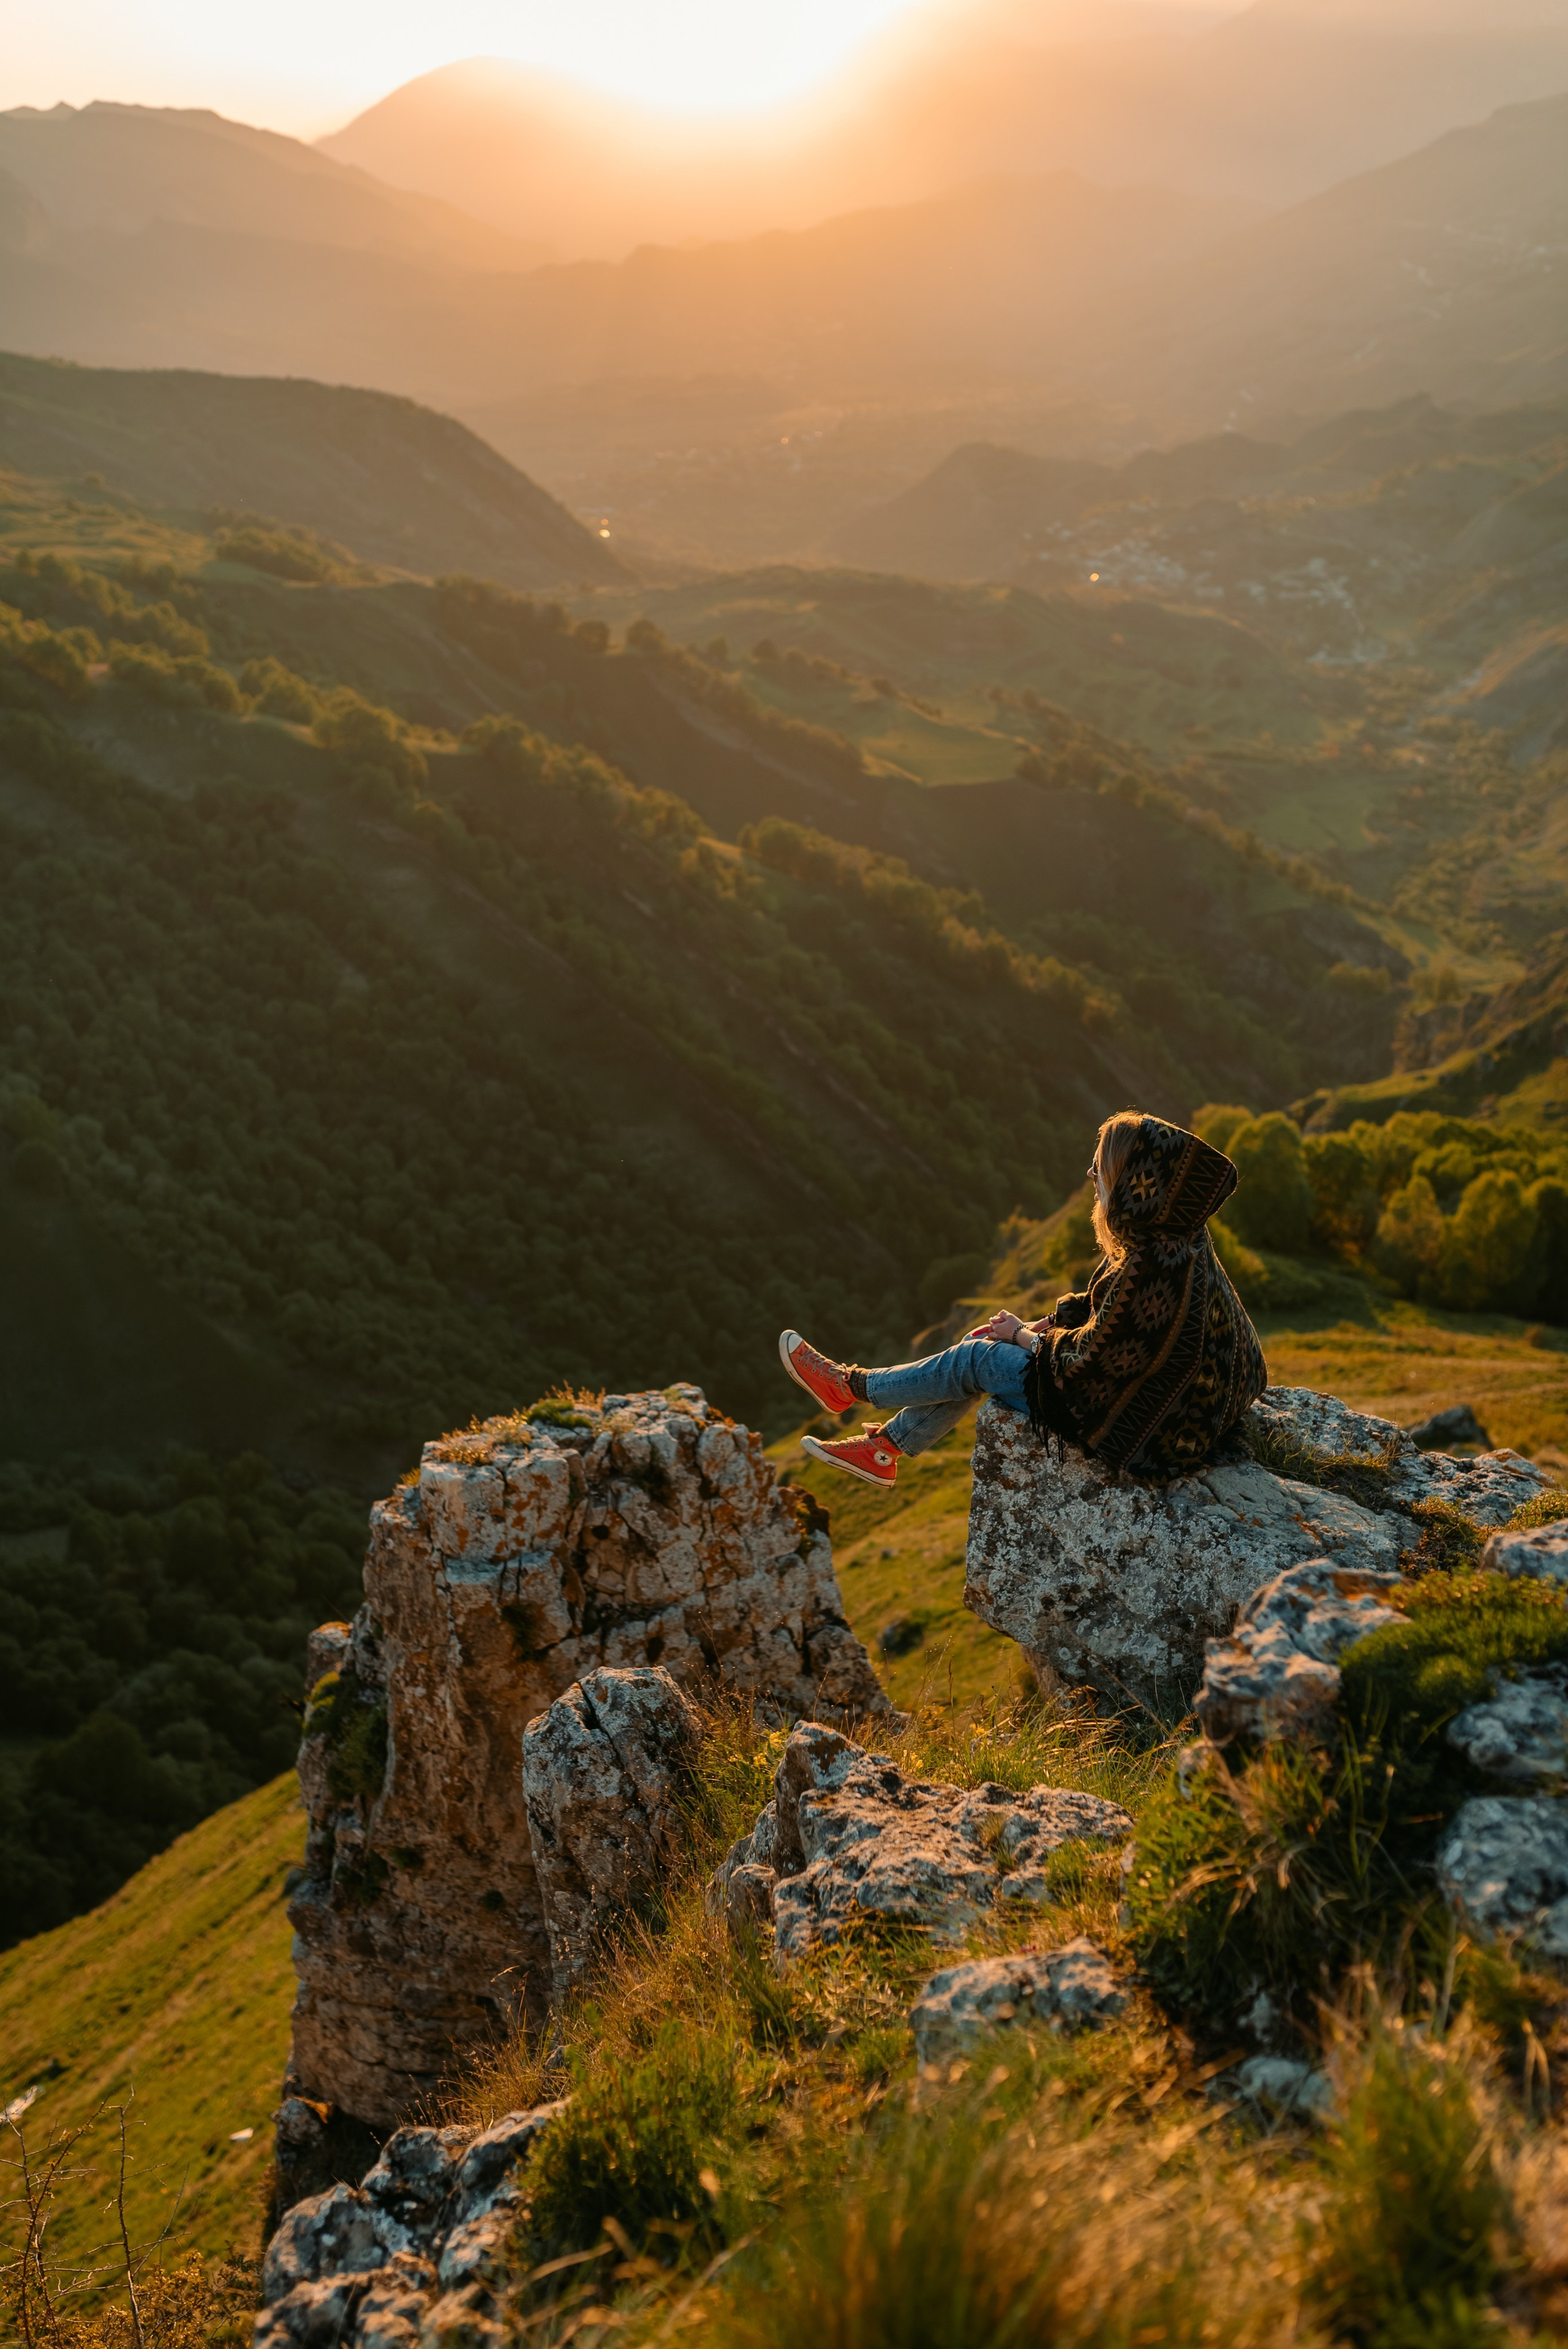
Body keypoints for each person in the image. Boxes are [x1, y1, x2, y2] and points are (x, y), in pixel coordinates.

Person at [779, 1109, 1268, 1488]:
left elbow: (1088, 1362)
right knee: (980, 1350)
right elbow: (1111, 1313)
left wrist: (1021, 1336)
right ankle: (885, 1450)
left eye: (1100, 1171)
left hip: (1147, 1428)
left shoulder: (1152, 1264)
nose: (1091, 1179)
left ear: (1129, 1183)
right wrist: (1041, 1324)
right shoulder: (1173, 1232)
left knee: (976, 1358)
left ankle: (850, 1387)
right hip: (1181, 1408)